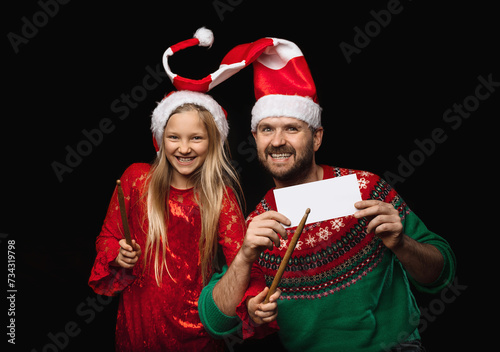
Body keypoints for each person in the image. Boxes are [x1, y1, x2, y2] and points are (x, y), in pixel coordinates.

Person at [198, 37, 456, 351]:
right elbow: (215, 322)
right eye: (267, 129)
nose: (277, 141)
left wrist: (402, 244)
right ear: (255, 138)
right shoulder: (259, 225)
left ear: (317, 137)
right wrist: (244, 262)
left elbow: (440, 275)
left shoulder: (366, 188)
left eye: (292, 128)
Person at [88, 28, 249, 351]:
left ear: (213, 143)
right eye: (174, 137)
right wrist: (117, 255)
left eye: (197, 138)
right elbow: (106, 238)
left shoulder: (220, 195)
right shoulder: (135, 179)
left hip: (196, 333)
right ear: (161, 138)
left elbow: (243, 264)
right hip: (137, 324)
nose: (184, 148)